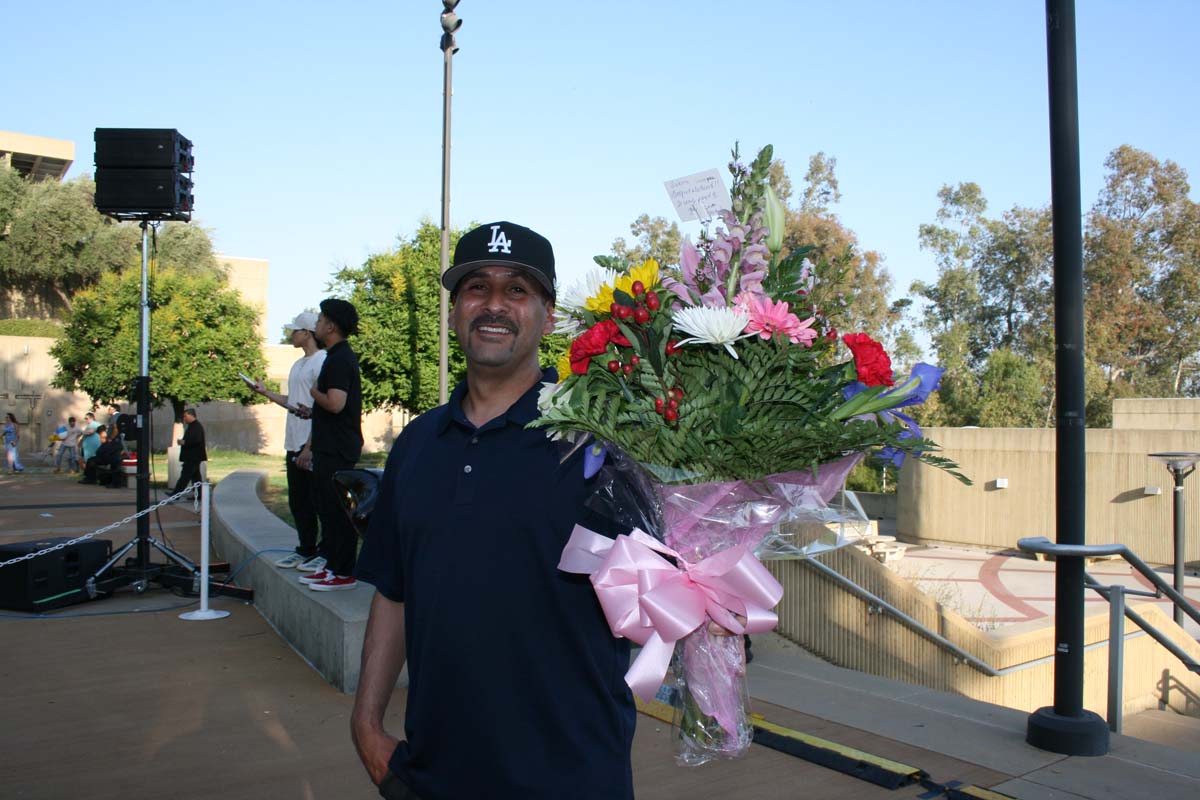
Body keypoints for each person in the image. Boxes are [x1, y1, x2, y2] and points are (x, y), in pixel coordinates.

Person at [351, 222, 636, 799]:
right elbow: (393, 590)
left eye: (517, 291)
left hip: (573, 773)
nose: (495, 305)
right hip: (434, 772)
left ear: (548, 316)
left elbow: (668, 587)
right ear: (455, 309)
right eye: (477, 287)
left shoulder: (598, 441)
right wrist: (366, 726)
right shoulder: (416, 444)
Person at [250, 311, 327, 570]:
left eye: (295, 330)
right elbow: (292, 403)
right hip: (292, 442)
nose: (290, 335)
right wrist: (266, 393)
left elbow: (323, 409)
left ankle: (325, 553)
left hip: (310, 445)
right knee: (298, 501)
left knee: (319, 501)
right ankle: (306, 548)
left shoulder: (322, 361)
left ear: (307, 333)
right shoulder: (297, 365)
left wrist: (310, 447)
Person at [296, 298, 363, 592]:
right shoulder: (337, 356)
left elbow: (336, 403)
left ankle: (344, 572)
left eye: (321, 320)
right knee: (327, 509)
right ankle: (332, 565)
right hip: (330, 446)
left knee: (338, 512)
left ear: (332, 326)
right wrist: (314, 410)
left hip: (337, 449)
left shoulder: (338, 360)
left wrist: (314, 393)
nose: (317, 325)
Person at [173, 408, 207, 498]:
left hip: (193, 457)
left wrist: (184, 442)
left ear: (191, 415)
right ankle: (199, 495)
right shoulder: (193, 426)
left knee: (185, 476)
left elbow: (197, 440)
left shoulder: (196, 427)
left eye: (185, 416)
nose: (184, 418)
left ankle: (176, 495)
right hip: (192, 456)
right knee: (196, 478)